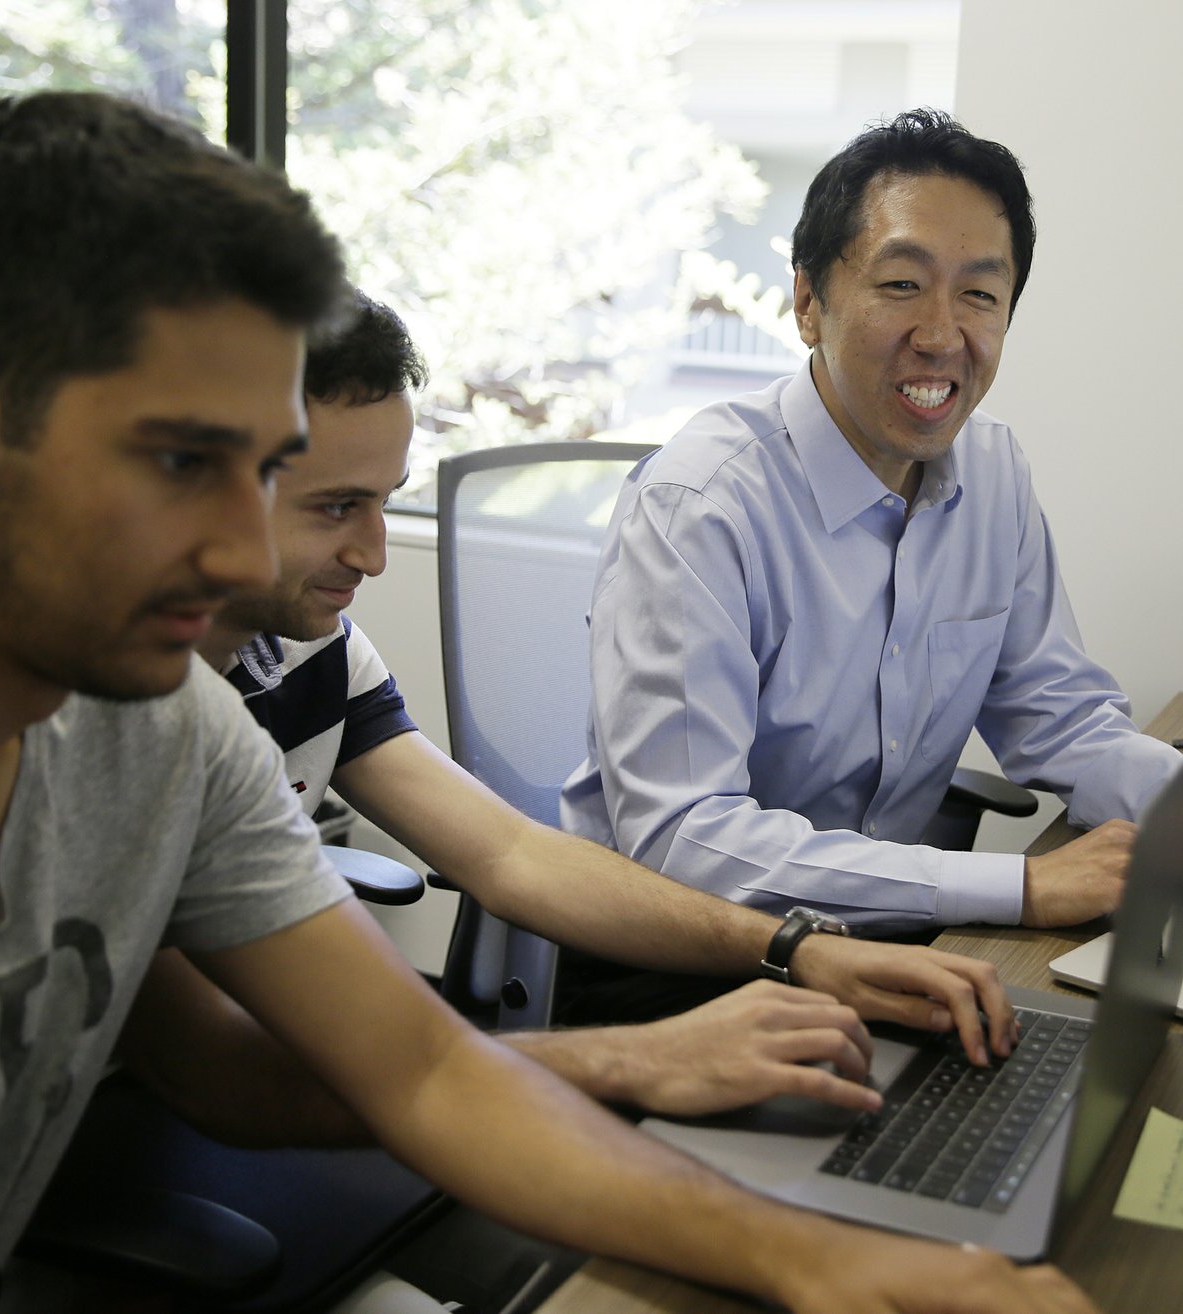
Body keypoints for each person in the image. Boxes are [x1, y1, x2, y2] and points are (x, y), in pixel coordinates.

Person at [0, 92, 1097, 1314]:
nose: (244, 558)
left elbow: (425, 1066)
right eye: (180, 461)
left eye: (262, 474)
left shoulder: (167, 722)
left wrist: (835, 1258)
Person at [119, 289, 1020, 1146]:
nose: (375, 554)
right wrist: (630, 1060)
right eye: (335, 508)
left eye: (386, 501)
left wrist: (798, 947)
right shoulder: (112, 719)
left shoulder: (310, 654)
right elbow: (211, 1071)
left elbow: (511, 854)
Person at [563, 108, 1183, 945]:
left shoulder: (994, 476)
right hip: (687, 958)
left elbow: (1064, 719)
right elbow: (683, 837)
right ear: (808, 303)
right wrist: (1020, 887)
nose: (942, 335)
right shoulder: (701, 506)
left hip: (880, 950)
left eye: (979, 293)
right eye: (901, 284)